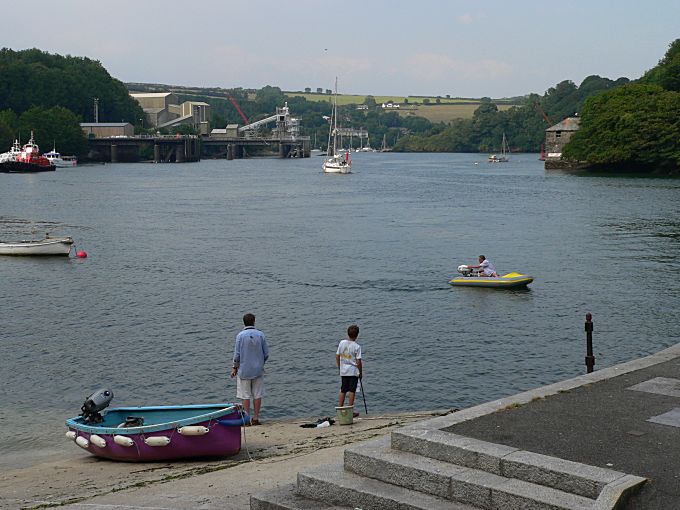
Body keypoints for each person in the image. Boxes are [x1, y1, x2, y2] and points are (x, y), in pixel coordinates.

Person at [230, 313, 268, 425]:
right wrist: (261, 363)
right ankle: (256, 418)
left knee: (245, 395)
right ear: (254, 321)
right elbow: (266, 353)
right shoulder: (260, 335)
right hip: (258, 370)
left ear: (244, 322)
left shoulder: (240, 336)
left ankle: (246, 420)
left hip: (244, 370)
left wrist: (234, 368)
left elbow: (237, 355)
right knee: (257, 394)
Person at [336, 325, 362, 409]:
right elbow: (358, 361)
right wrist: (360, 372)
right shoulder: (357, 347)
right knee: (352, 390)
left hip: (343, 370)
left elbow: (337, 356)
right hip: (353, 371)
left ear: (347, 334)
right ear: (357, 335)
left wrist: (339, 367)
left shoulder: (342, 343)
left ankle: (340, 407)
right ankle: (350, 409)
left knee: (343, 389)